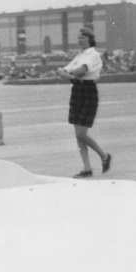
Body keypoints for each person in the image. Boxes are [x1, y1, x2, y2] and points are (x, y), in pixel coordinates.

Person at [58, 27, 112, 178]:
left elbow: (81, 70)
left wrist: (69, 74)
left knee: (81, 134)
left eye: (82, 37)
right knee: (78, 134)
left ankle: (104, 156)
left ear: (90, 39)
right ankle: (87, 168)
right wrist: (69, 74)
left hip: (88, 91)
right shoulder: (79, 55)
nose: (79, 40)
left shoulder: (93, 54)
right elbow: (66, 70)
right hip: (77, 91)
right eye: (78, 37)